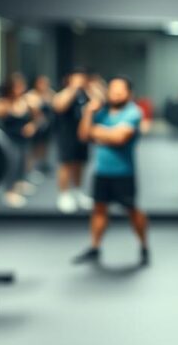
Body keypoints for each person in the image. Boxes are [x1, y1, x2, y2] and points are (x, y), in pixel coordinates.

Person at [72, 76, 150, 267]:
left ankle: (144, 246)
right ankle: (95, 247)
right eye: (113, 90)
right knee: (99, 209)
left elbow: (119, 138)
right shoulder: (101, 112)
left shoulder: (134, 112)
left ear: (129, 93)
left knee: (132, 210)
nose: (115, 94)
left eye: (120, 90)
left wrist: (97, 132)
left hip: (124, 173)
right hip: (102, 172)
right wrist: (89, 113)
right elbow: (83, 135)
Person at [0, 73, 42, 208]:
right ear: (11, 88)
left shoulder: (27, 101)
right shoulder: (4, 104)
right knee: (13, 163)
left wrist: (32, 126)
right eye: (18, 86)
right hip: (10, 139)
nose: (21, 88)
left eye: (22, 85)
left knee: (23, 162)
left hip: (23, 139)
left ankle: (19, 184)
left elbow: (39, 118)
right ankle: (9, 193)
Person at [52, 68, 101, 214]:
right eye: (77, 78)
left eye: (82, 78)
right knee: (66, 164)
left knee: (80, 163)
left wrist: (93, 87)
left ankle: (78, 192)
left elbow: (100, 103)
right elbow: (59, 106)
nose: (80, 81)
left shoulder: (86, 93)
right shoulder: (64, 93)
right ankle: (64, 195)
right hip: (66, 134)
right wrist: (73, 88)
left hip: (82, 134)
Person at [27, 75, 56, 180]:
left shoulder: (49, 93)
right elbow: (36, 113)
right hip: (36, 125)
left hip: (46, 125)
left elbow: (55, 104)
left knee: (44, 146)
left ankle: (43, 164)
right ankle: (31, 169)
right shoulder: (32, 95)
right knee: (34, 148)